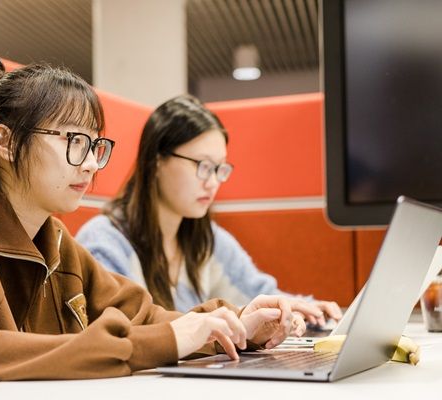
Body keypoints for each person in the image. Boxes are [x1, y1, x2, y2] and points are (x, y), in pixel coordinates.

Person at [0, 56, 318, 399]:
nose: (91, 164)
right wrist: (165, 342)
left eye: (96, 146)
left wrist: (230, 327)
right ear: (6, 142)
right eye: (74, 142)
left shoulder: (57, 244)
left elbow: (145, 319)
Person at [76, 95, 343, 321]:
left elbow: (257, 291)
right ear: (157, 161)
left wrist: (304, 309)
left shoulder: (205, 238)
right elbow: (130, 330)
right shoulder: (105, 243)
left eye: (219, 169)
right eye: (203, 166)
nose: (213, 182)